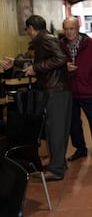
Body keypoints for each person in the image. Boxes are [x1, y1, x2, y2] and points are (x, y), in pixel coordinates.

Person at [0, 15, 72, 181]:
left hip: (56, 91)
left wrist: (36, 68)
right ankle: (58, 163)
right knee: (54, 129)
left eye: (28, 30)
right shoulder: (45, 38)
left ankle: (56, 169)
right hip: (55, 90)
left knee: (55, 130)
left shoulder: (44, 39)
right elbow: (43, 60)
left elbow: (60, 58)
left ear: (31, 28)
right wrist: (16, 63)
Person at [60, 17, 92, 167]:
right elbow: (55, 65)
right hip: (70, 92)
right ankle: (80, 149)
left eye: (72, 29)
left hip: (89, 91)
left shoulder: (90, 45)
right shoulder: (60, 45)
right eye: (66, 29)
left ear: (78, 28)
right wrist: (65, 67)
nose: (69, 32)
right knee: (73, 124)